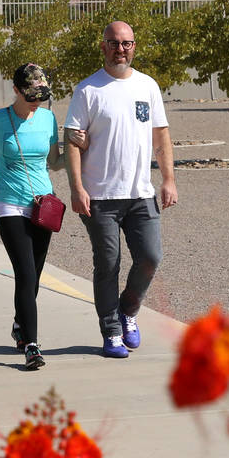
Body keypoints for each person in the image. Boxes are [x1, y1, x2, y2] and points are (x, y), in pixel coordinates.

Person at [0, 63, 86, 370]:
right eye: (31, 95)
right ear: (15, 90)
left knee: (34, 277)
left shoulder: (48, 119)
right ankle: (32, 345)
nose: (36, 101)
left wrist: (80, 149)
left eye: (41, 95)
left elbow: (53, 162)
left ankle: (19, 324)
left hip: (44, 205)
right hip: (10, 205)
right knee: (25, 274)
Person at [63, 21, 178, 358]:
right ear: (103, 47)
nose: (120, 49)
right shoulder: (88, 90)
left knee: (150, 257)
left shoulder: (148, 86)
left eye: (126, 43)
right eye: (114, 43)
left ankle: (128, 310)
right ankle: (111, 331)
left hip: (140, 193)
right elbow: (71, 140)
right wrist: (76, 188)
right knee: (108, 263)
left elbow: (161, 138)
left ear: (134, 47)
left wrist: (169, 179)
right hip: (99, 197)